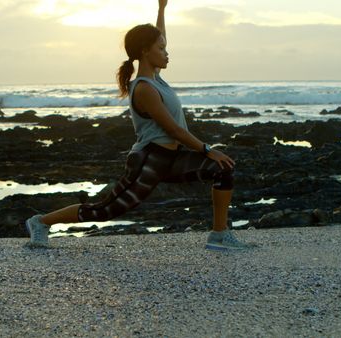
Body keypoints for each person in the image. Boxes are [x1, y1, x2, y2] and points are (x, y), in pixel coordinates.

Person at [25, 0, 254, 251]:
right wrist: (208, 149)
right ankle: (41, 222)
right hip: (149, 159)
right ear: (146, 51)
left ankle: (219, 235)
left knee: (223, 169)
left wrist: (162, 9)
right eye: (161, 48)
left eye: (165, 47)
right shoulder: (145, 88)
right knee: (104, 210)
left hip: (171, 157)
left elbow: (159, 37)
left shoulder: (156, 78)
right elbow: (174, 130)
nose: (167, 52)